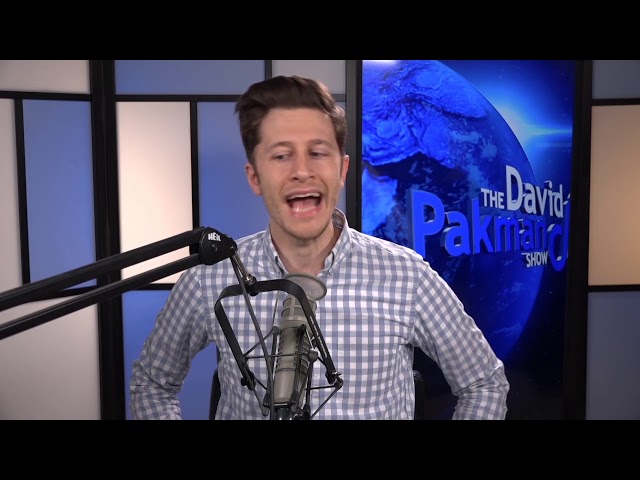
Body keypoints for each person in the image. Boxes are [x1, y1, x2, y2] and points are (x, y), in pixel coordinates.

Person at [130, 75, 509, 420]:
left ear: (341, 171)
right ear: (255, 177)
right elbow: (151, 383)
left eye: (317, 152)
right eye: (281, 155)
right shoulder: (212, 277)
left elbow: (483, 383)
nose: (301, 171)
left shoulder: (407, 276)